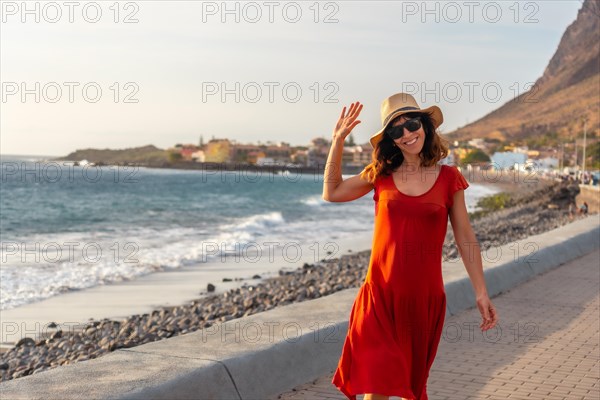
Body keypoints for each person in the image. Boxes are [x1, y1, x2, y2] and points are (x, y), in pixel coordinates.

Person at [322, 93, 499, 400]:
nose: (406, 134)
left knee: (410, 389)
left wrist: (481, 292)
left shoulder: (449, 178)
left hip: (423, 300)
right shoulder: (380, 174)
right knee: (376, 384)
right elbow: (332, 192)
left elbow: (465, 237)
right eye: (396, 130)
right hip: (379, 297)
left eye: (412, 124)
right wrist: (337, 140)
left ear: (425, 126)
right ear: (390, 139)